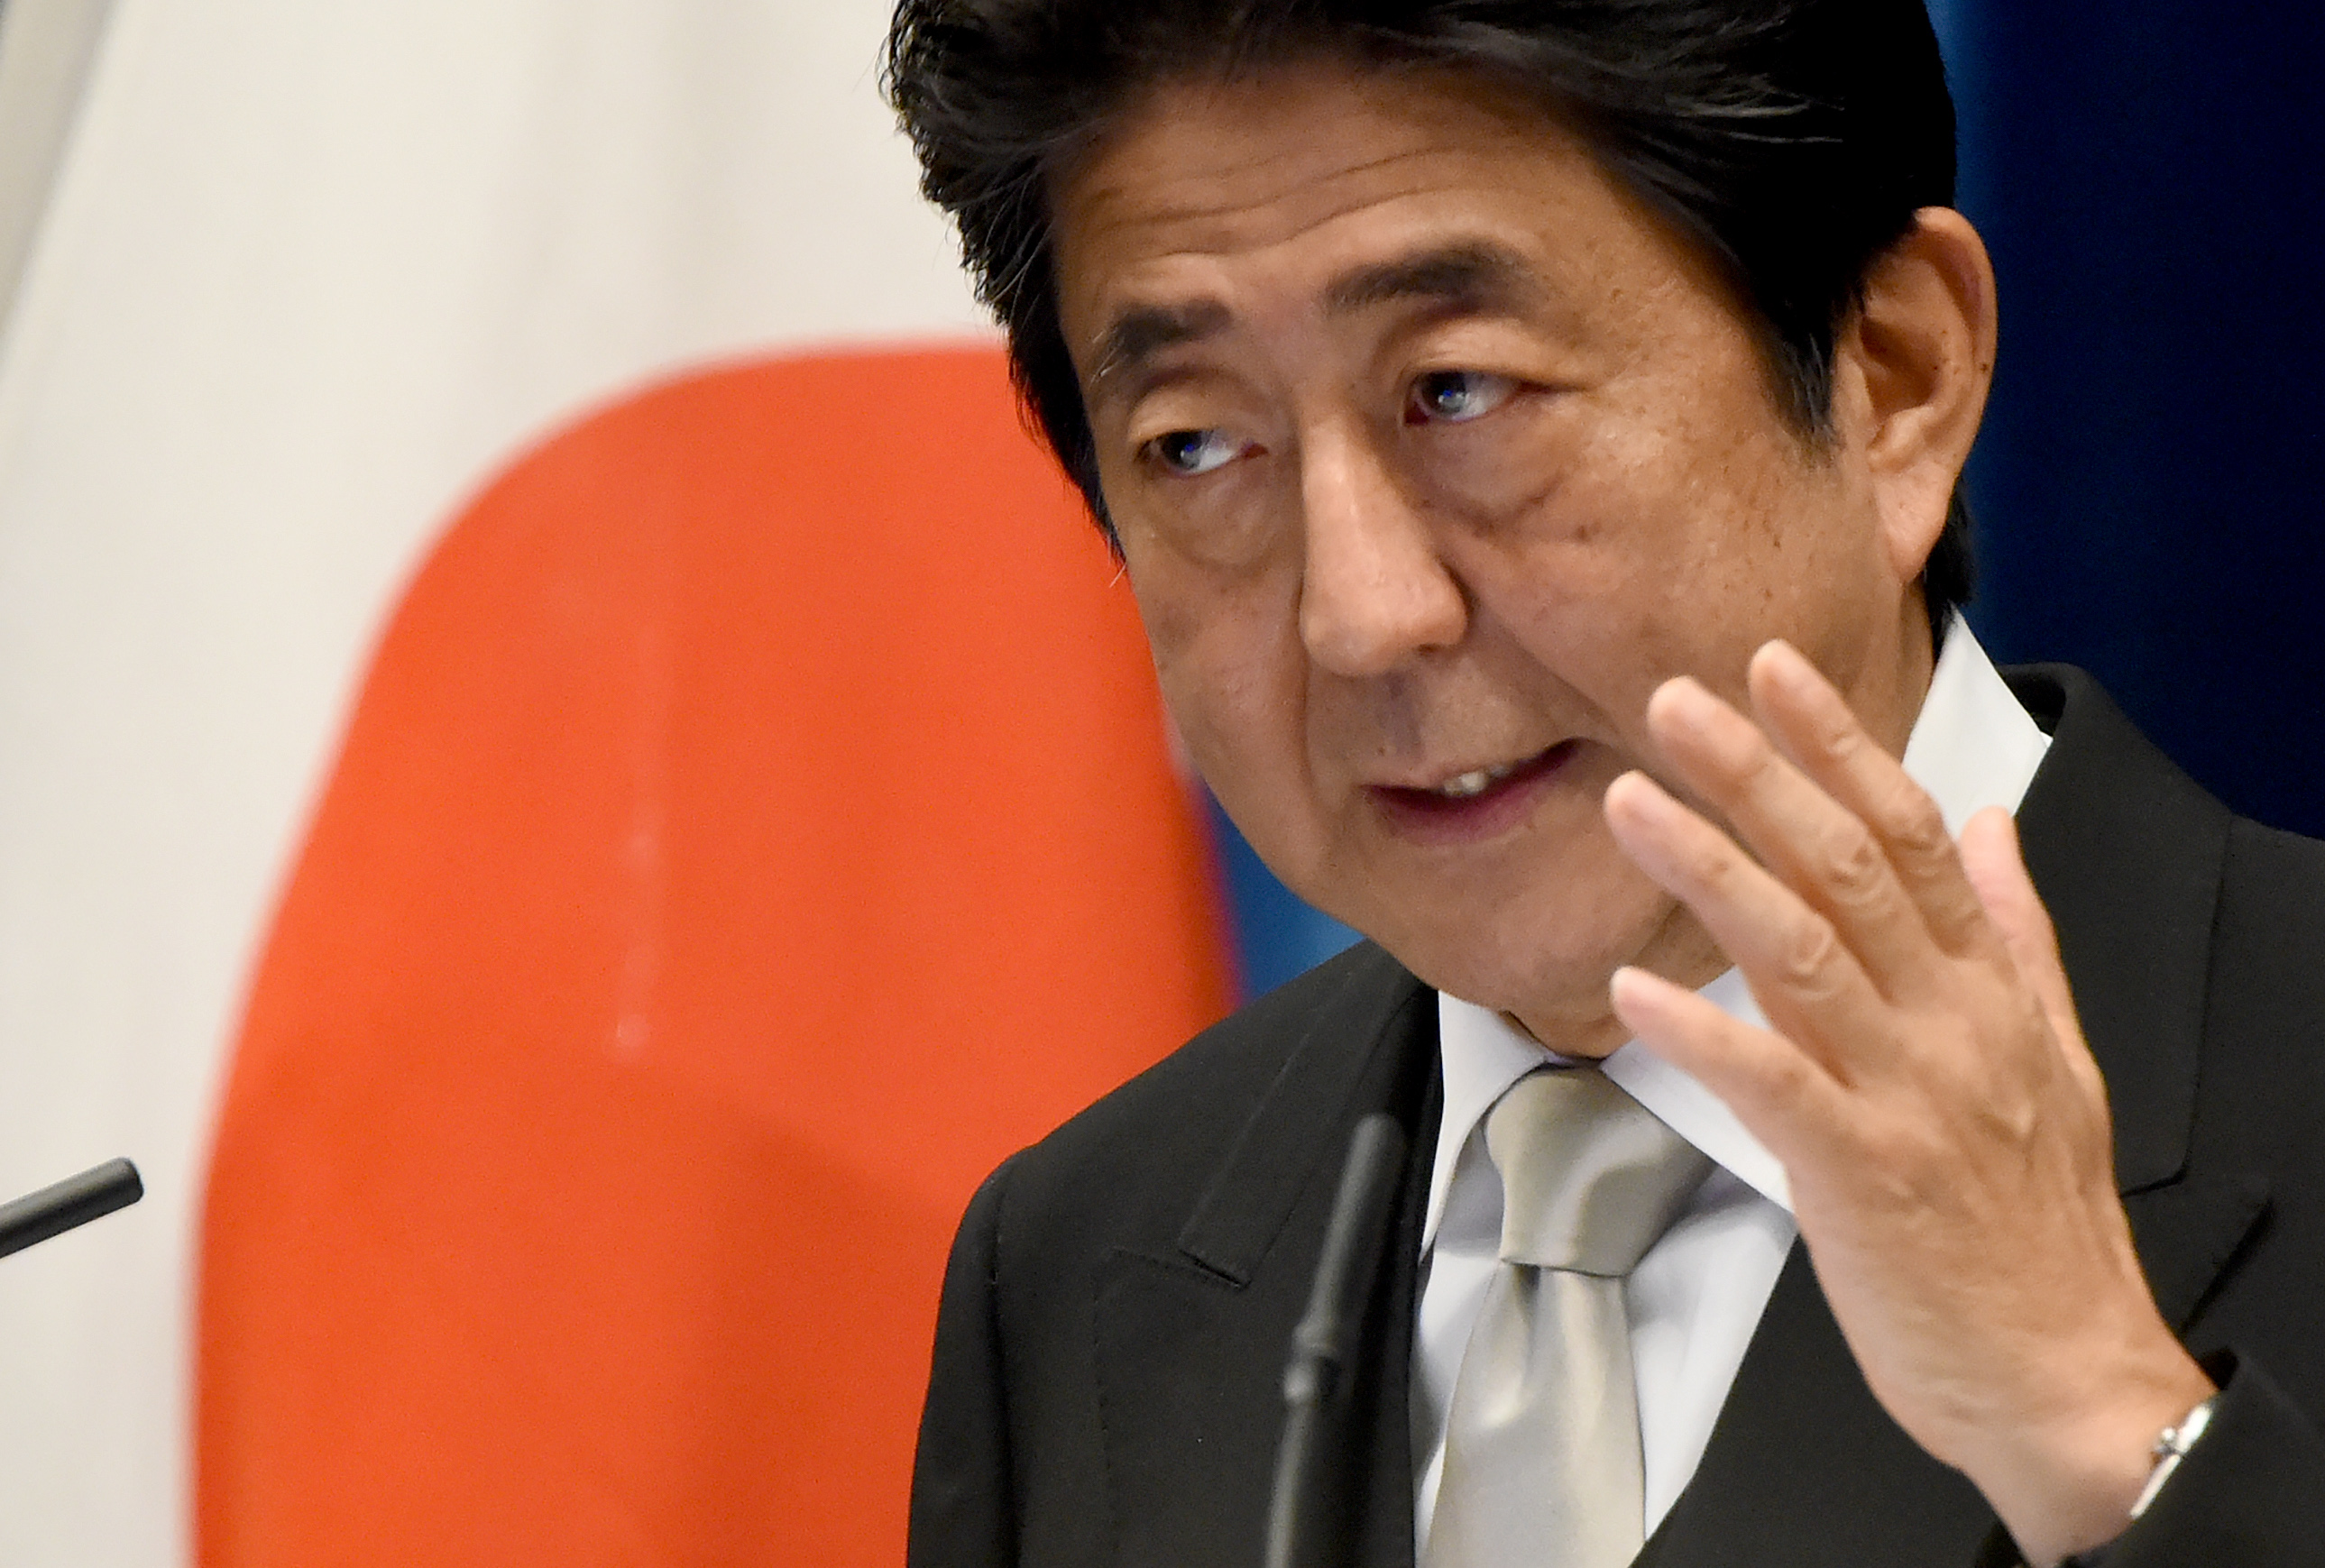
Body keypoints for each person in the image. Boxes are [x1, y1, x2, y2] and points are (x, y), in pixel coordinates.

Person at [882, 2, 2325, 1563]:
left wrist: (2110, 1436)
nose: (1362, 613)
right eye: (1195, 446)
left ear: (1888, 376)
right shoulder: (1085, 1257)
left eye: (1456, 391)